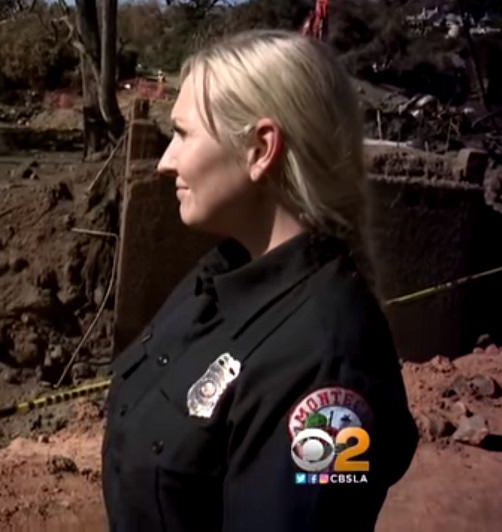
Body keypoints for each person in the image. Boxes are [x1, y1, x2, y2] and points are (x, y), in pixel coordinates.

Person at [102, 29, 418, 532]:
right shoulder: (218, 278)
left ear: (260, 148)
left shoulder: (327, 363)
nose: (165, 162)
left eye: (182, 134)